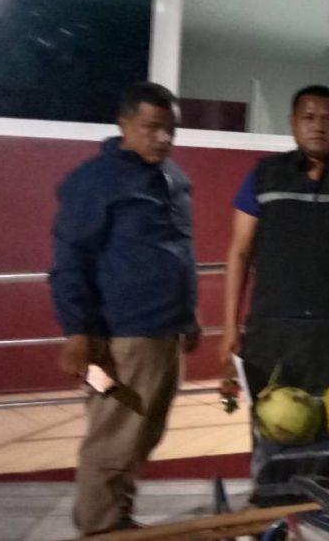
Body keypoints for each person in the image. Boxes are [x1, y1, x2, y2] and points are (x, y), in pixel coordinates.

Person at [49, 82, 200, 535]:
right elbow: (70, 259)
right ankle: (98, 529)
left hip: (166, 332)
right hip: (122, 336)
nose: (163, 138)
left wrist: (188, 316)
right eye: (152, 127)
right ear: (124, 124)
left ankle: (119, 519)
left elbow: (178, 249)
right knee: (113, 441)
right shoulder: (95, 181)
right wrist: (77, 331)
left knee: (141, 437)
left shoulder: (172, 178)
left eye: (170, 129)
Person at [219, 85, 329, 488]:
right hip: (270, 332)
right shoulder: (264, 175)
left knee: (325, 436)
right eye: (309, 117)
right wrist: (229, 327)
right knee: (273, 434)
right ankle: (270, 509)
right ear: (292, 123)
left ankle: (313, 512)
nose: (318, 126)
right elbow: (238, 252)